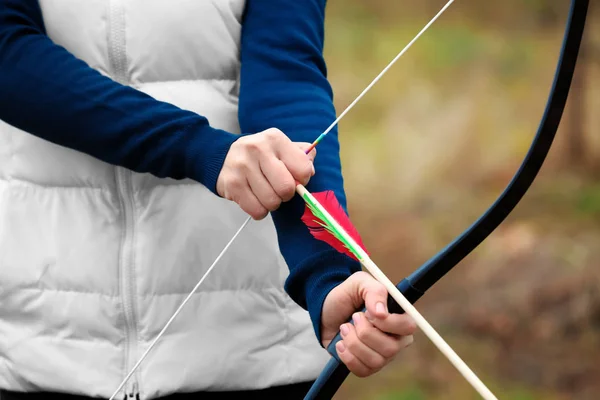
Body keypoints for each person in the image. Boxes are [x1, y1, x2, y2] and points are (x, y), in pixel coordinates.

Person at [0, 0, 417, 399]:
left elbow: (286, 75)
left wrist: (327, 274)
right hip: (45, 340)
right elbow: (9, 53)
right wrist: (201, 150)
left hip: (252, 345)